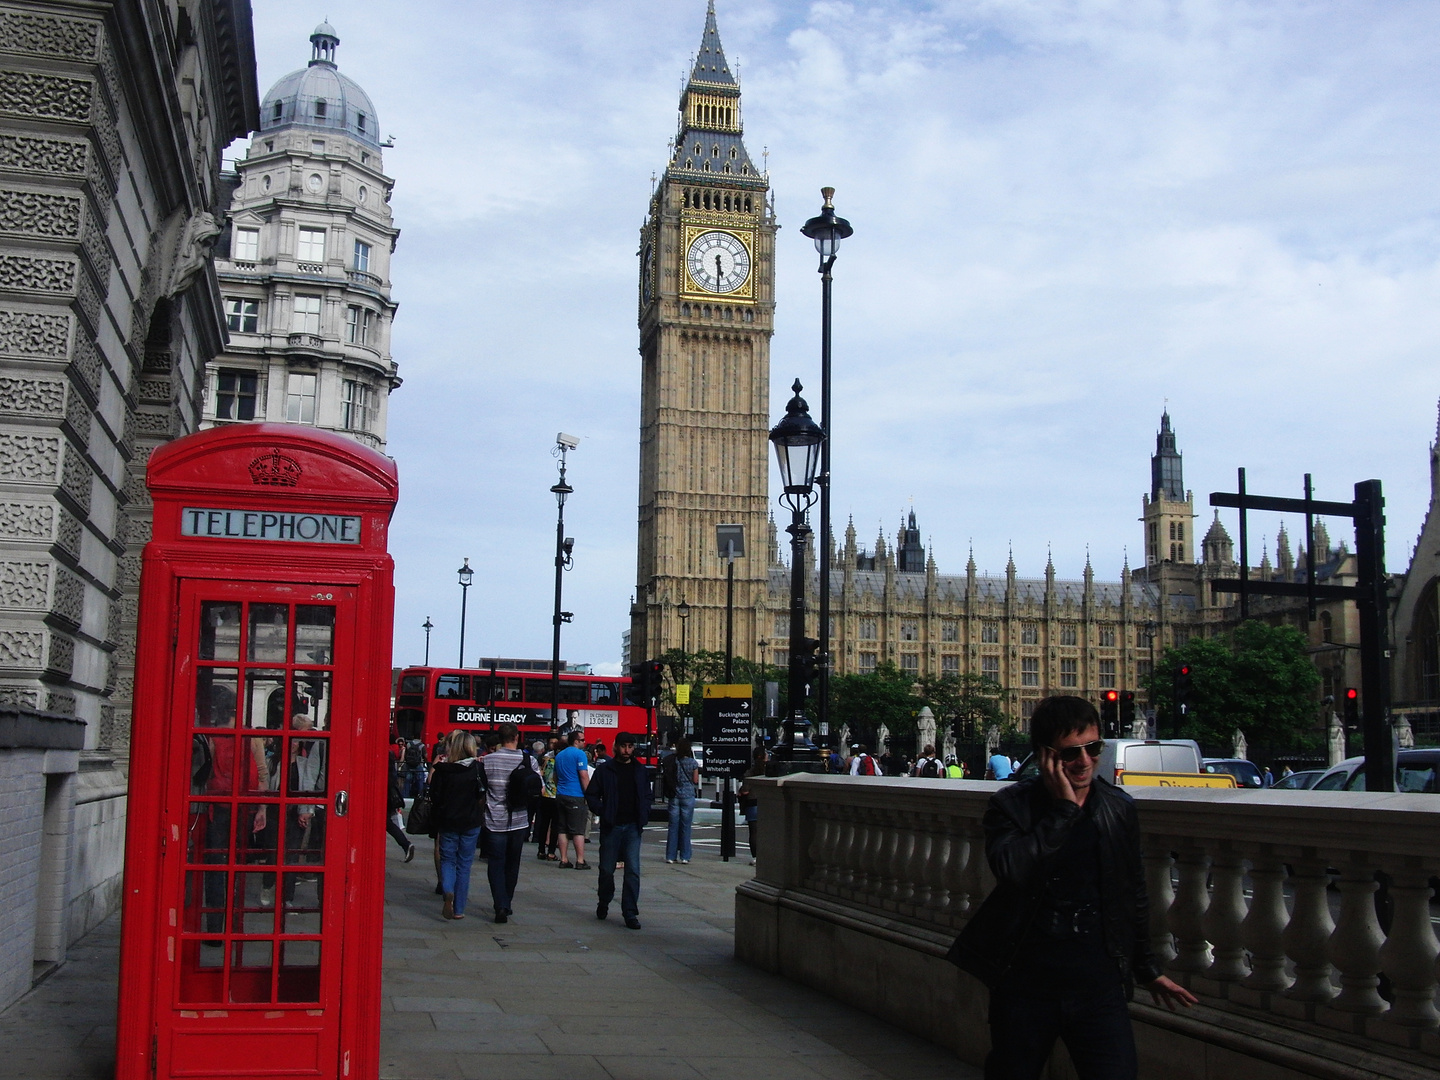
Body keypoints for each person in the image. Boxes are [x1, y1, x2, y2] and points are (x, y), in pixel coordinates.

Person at [947, 695, 1195, 1080]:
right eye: (1070, 753)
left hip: (1098, 985)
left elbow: (1132, 893)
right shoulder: (1011, 807)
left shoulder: (1118, 808)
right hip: (1027, 983)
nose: (1084, 761)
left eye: (1092, 748)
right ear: (1045, 755)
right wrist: (1064, 811)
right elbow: (1012, 869)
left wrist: (1146, 967)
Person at [586, 731, 653, 930]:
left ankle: (630, 912)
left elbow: (647, 795)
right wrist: (603, 811)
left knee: (633, 870)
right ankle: (604, 900)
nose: (627, 750)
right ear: (616, 747)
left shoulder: (639, 770)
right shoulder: (605, 770)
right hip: (612, 826)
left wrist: (645, 813)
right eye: (623, 746)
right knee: (606, 869)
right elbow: (591, 795)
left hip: (633, 826)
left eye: (630, 746)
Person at [480, 722, 540, 923]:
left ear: (499, 739)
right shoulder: (528, 760)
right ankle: (507, 902)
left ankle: (499, 904)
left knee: (496, 863)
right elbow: (537, 788)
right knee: (513, 863)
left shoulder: (488, 760)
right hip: (519, 819)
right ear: (516, 737)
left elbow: (482, 789)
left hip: (494, 819)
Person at [427, 730, 484, 921]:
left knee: (448, 860)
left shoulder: (442, 771)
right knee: (464, 864)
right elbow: (482, 794)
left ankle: (448, 891)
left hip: (447, 820)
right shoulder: (476, 769)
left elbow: (434, 796)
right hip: (470, 821)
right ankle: (459, 909)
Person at [552, 729, 592, 869]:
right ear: (576, 741)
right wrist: (589, 794)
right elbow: (583, 776)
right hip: (576, 795)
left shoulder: (559, 755)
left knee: (562, 829)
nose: (584, 742)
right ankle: (580, 860)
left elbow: (555, 777)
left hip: (561, 794)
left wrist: (560, 789)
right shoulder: (580, 754)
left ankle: (563, 859)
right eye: (582, 740)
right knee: (578, 830)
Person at [663, 739, 701, 864]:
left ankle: (670, 855)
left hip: (675, 794)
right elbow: (695, 780)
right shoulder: (693, 763)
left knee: (673, 826)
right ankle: (685, 856)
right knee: (686, 827)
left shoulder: (675, 761)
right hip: (688, 795)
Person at [738, 746, 768, 866]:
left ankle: (755, 857)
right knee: (766, 831)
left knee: (754, 832)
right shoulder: (769, 771)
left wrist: (740, 791)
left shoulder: (750, 772)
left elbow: (745, 791)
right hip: (766, 803)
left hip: (752, 803)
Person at [532, 736, 561, 861]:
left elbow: (540, 774)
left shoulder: (545, 760)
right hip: (557, 795)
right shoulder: (561, 762)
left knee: (543, 824)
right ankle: (551, 852)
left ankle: (541, 850)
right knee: (555, 825)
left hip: (545, 795)